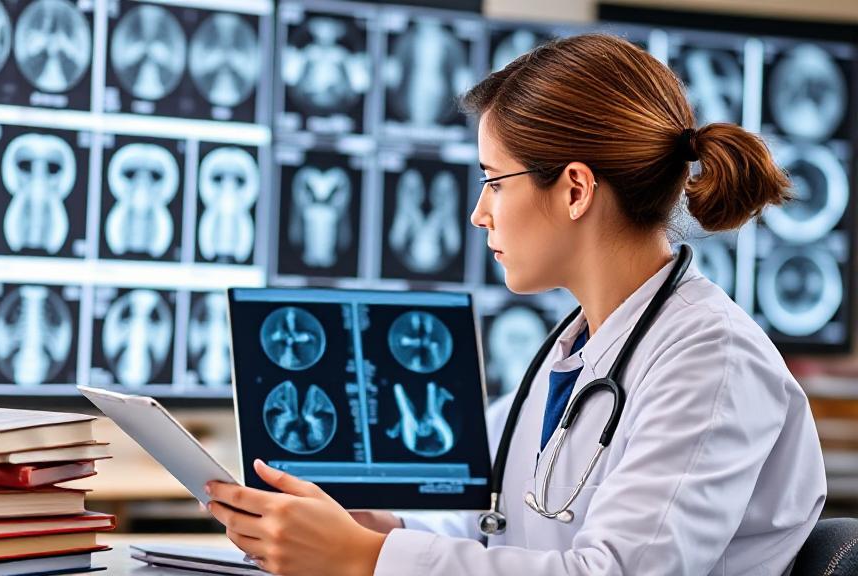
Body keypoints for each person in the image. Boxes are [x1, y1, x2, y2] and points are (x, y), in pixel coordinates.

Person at [204, 33, 827, 575]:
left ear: (575, 190)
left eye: (494, 181)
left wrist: (365, 559)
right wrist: (371, 530)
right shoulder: (576, 351)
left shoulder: (712, 360)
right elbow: (493, 526)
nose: (480, 214)